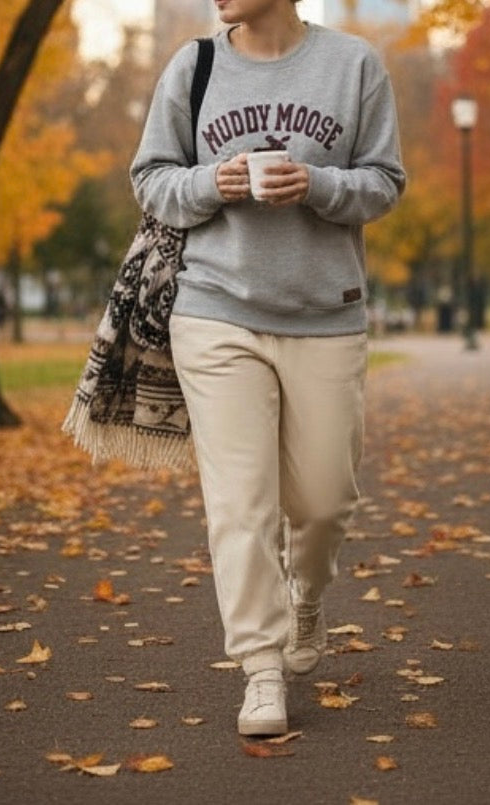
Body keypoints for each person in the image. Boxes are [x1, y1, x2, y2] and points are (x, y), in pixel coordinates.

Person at [130, 0, 405, 737]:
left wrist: (316, 185)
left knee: (322, 500)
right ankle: (259, 667)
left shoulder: (352, 65)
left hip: (325, 311)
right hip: (214, 310)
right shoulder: (194, 67)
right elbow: (151, 177)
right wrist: (209, 184)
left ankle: (305, 595)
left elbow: (384, 180)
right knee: (239, 505)